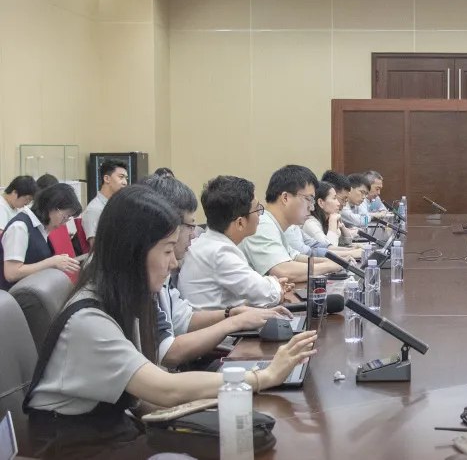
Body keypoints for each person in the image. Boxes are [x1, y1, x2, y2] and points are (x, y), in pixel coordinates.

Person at [23, 184, 316, 459]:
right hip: (75, 447)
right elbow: (164, 388)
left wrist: (205, 406)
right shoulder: (89, 319)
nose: (173, 263)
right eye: (166, 251)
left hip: (112, 427)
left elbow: (153, 393)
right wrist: (262, 377)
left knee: (239, 437)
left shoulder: (122, 298)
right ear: (133, 253)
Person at [139, 175, 293, 368]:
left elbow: (182, 320)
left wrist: (231, 313)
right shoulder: (217, 251)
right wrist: (235, 321)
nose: (193, 236)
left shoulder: (162, 273)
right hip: (198, 358)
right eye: (190, 226)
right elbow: (167, 355)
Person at [179, 175, 297, 310]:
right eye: (257, 209)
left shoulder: (208, 243)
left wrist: (271, 285)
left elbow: (255, 288)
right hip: (220, 323)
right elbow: (266, 293)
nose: (260, 214)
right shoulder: (220, 252)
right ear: (240, 223)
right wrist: (275, 286)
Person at [240, 165, 343, 283]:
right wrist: (329, 266)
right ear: (285, 198)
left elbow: (295, 258)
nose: (312, 207)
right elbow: (283, 271)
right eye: (308, 199)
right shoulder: (263, 224)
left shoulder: (277, 225)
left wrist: (334, 261)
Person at [1, 183, 82, 291]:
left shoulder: (41, 228)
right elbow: (11, 273)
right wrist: (51, 262)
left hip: (32, 291)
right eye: (65, 217)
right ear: (52, 208)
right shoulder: (20, 227)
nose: (64, 223)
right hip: (13, 296)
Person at [83, 159, 129, 249]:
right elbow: (96, 249)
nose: (125, 182)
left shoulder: (117, 206)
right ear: (107, 179)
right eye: (121, 177)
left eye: (126, 178)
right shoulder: (94, 209)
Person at [301, 181, 353, 247]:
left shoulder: (327, 220)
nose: (338, 203)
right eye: (334, 198)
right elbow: (331, 249)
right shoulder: (310, 224)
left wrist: (342, 226)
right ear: (320, 202)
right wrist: (332, 223)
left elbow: (348, 242)